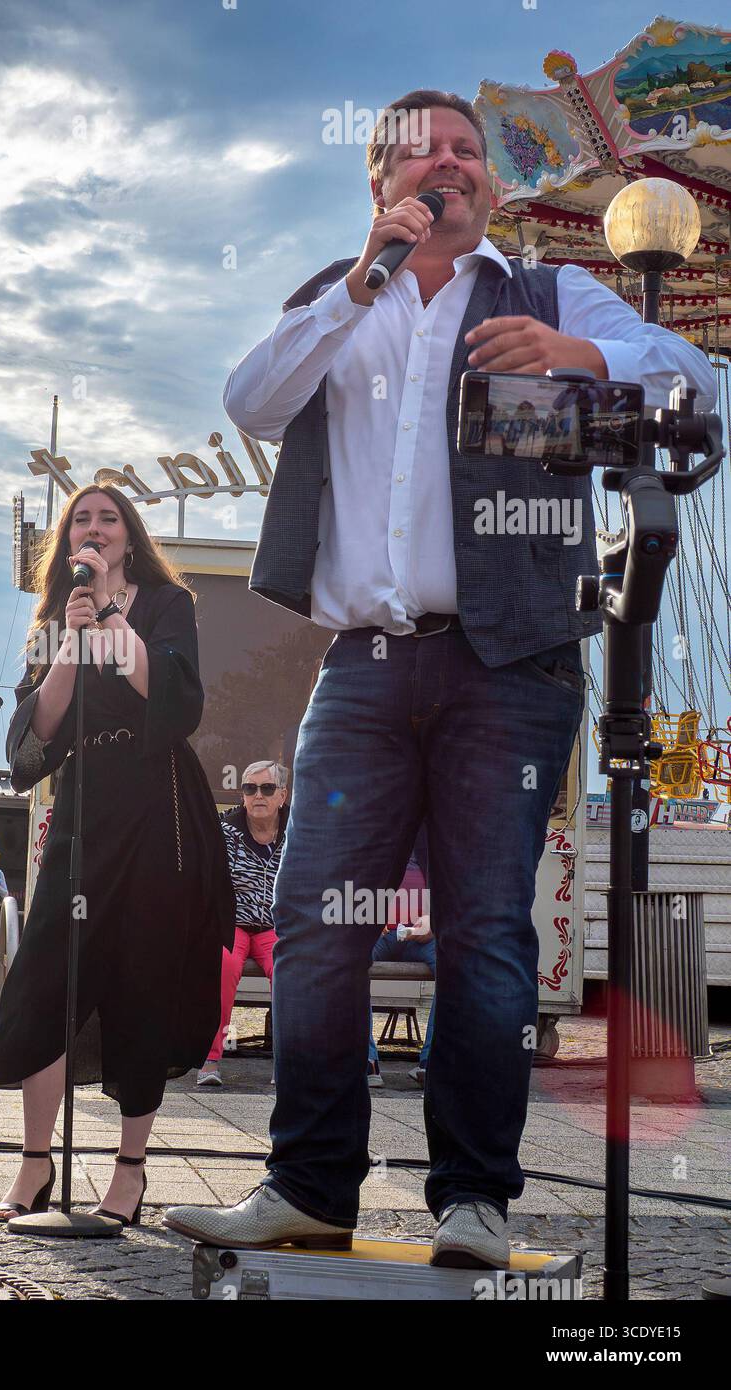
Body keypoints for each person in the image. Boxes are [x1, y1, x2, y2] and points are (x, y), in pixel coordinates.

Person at [165, 89, 716, 1268]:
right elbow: (250, 402)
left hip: (509, 664)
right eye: (421, 156)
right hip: (362, 666)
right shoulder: (336, 297)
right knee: (316, 927)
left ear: (491, 183)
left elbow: (690, 383)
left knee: (486, 935)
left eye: (467, 152)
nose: (449, 168)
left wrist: (578, 356)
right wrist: (362, 279)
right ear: (379, 182)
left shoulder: (547, 289)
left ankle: (472, 1198)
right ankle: (307, 1184)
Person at [0, 483, 234, 1227]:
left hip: (157, 804)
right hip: (84, 805)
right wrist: (68, 639)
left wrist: (116, 623)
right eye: (81, 520)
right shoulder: (55, 617)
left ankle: (130, 1171)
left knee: (142, 983)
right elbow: (34, 736)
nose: (94, 529)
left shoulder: (164, 604)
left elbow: (179, 702)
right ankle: (34, 1166)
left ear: (129, 536)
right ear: (68, 540)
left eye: (107, 519)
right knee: (43, 980)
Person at [196, 760, 289, 1089]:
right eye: (250, 788)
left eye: (266, 788)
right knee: (223, 965)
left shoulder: (298, 834)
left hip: (275, 927)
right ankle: (210, 1057)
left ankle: (288, 1061)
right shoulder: (224, 831)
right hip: (232, 923)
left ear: (282, 795)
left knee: (288, 971)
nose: (258, 795)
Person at [367, 835, 433, 1090]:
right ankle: (366, 1060)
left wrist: (434, 920)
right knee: (349, 962)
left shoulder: (433, 839)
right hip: (378, 932)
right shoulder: (377, 830)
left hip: (422, 935)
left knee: (455, 965)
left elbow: (455, 886)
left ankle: (431, 1062)